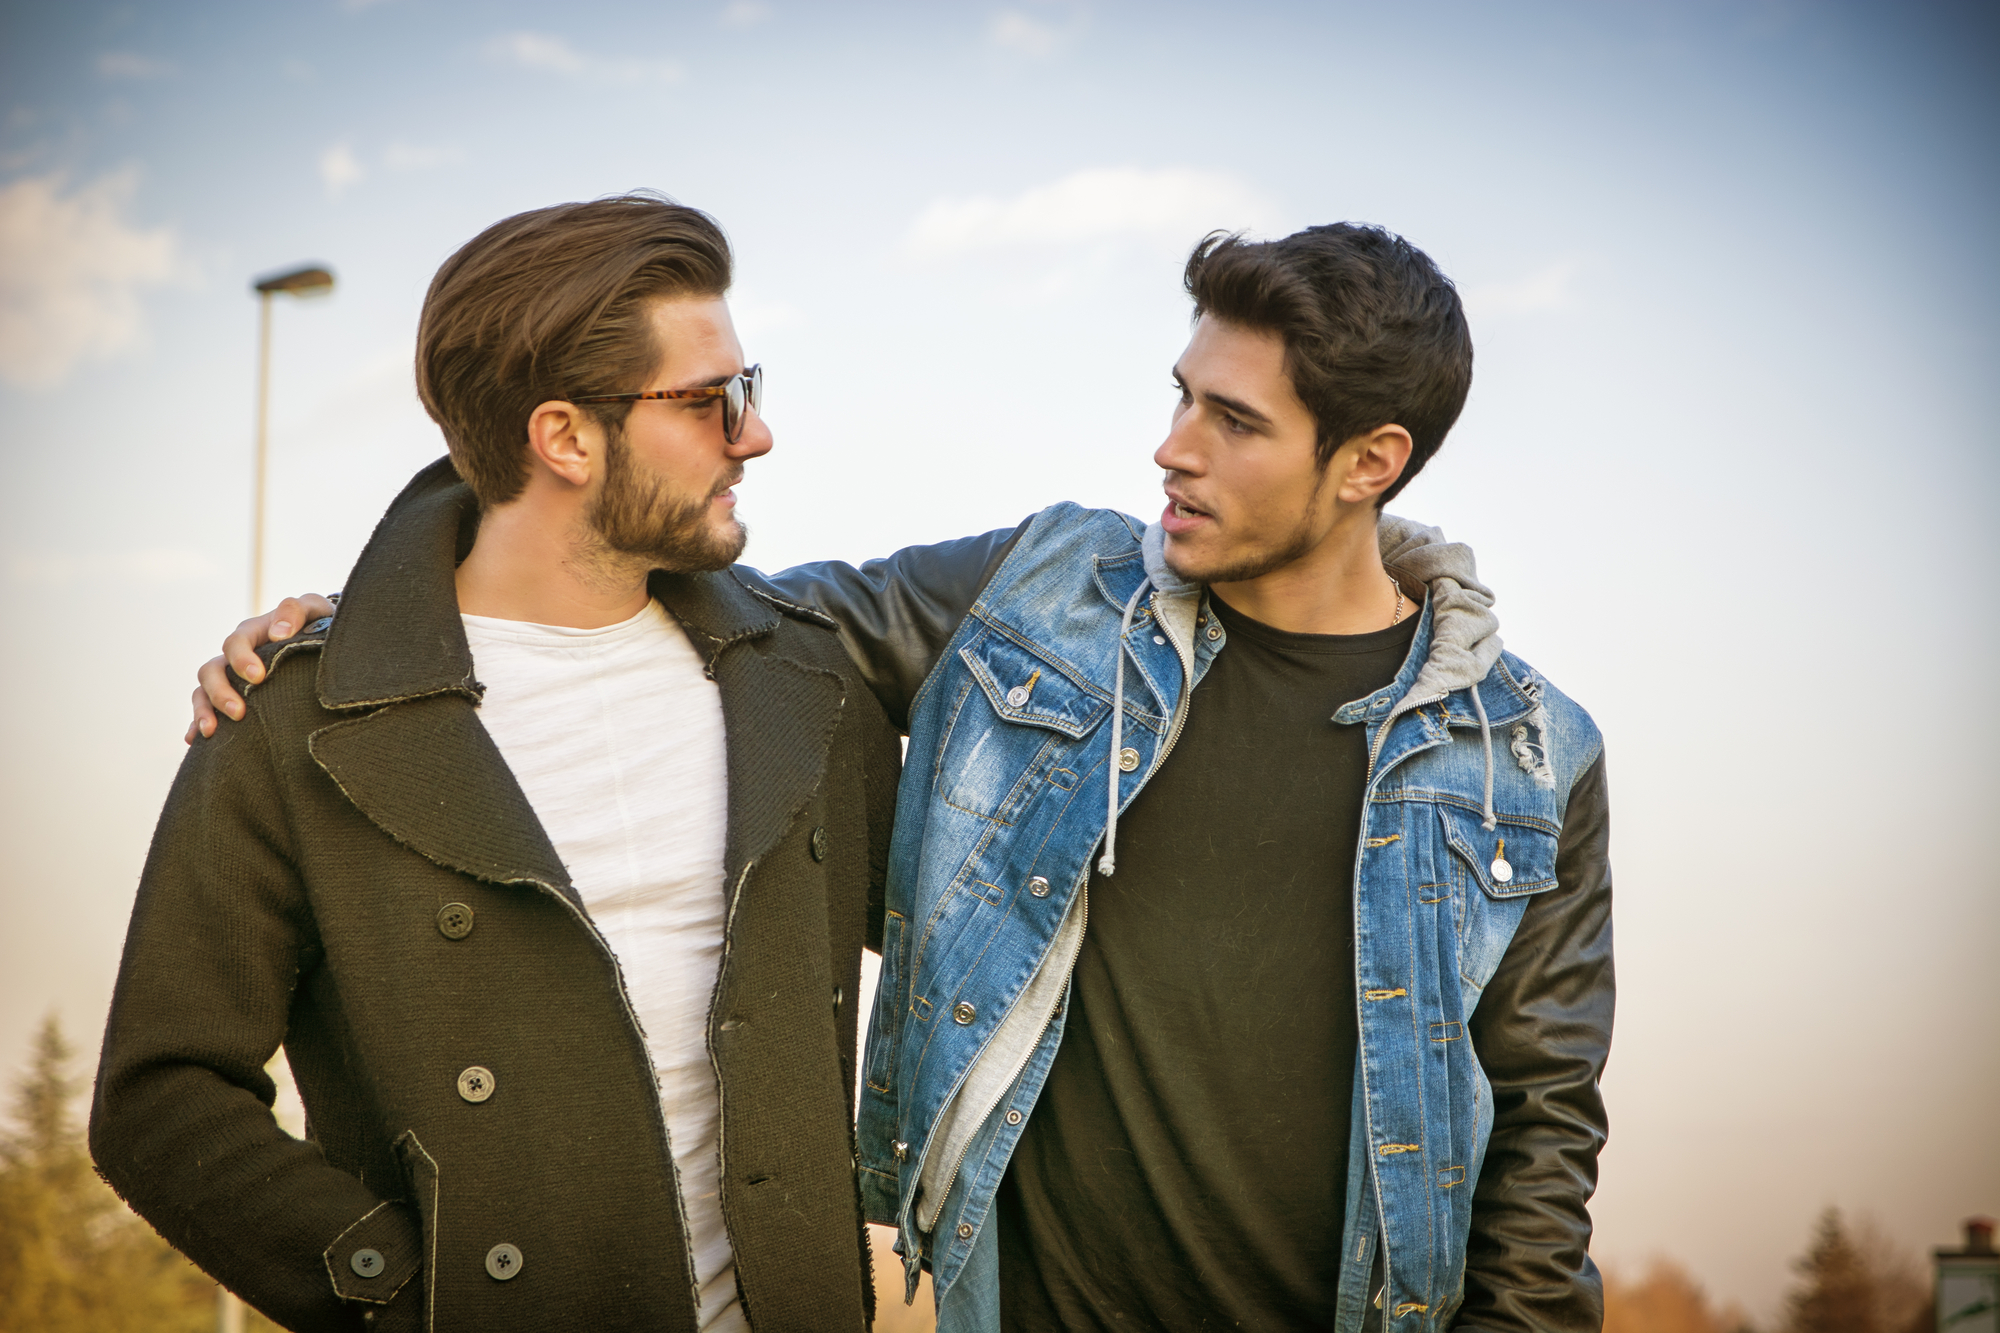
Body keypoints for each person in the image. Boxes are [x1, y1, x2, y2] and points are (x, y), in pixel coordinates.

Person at [198, 223, 1614, 1332]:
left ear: (1372, 461)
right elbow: (690, 603)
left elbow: (1544, 1134)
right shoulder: (1043, 589)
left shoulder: (1533, 759)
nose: (1171, 448)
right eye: (1182, 396)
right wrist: (391, 613)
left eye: (1235, 423)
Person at [95, 195, 901, 1333]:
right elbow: (161, 1100)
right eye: (711, 400)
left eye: (747, 387)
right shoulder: (301, 723)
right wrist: (405, 1290)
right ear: (565, 437)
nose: (752, 433)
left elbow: (978, 934)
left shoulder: (806, 680)